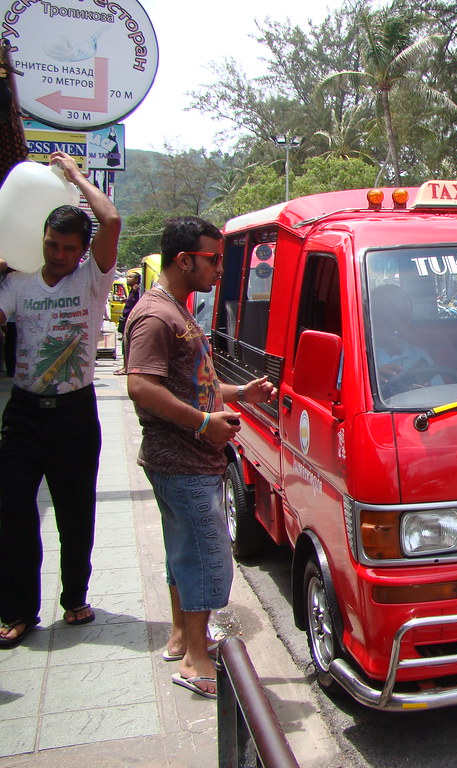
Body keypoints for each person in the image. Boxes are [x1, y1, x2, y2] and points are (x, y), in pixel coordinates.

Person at [125, 216, 276, 699]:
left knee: (185, 555)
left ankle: (180, 637)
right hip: (182, 461)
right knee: (211, 560)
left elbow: (195, 384)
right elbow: (140, 386)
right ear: (183, 259)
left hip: (187, 461)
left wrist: (241, 394)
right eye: (214, 259)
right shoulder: (156, 316)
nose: (220, 269)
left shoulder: (179, 309)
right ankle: (197, 658)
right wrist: (202, 423)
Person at [0, 151, 121, 649]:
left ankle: (75, 598)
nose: (56, 254)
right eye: (51, 243)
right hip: (25, 413)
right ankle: (17, 610)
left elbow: (111, 218)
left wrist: (74, 176)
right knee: (11, 511)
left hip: (75, 413)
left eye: (67, 248)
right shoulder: (18, 280)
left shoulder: (94, 280)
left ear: (82, 251)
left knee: (75, 511)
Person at [371, 283, 441, 394]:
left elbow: (439, 394)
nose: (396, 326)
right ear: (373, 319)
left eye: (403, 318)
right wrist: (370, 380)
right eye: (388, 318)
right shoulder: (357, 356)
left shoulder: (418, 354)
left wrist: (423, 391)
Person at [113, 271, 140, 374]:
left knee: (126, 344)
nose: (128, 278)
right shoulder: (131, 291)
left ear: (136, 280)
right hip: (125, 320)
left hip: (129, 320)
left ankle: (126, 367)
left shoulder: (135, 289)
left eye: (130, 277)